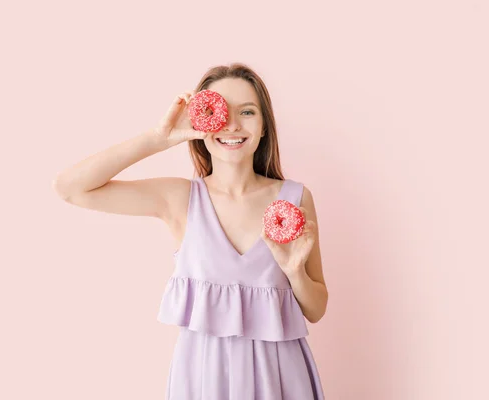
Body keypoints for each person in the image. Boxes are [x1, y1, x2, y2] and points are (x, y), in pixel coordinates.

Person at [53, 63, 328, 399]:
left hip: (282, 379)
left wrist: (294, 272)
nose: (232, 124)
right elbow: (70, 188)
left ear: (264, 126)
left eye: (247, 111)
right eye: (219, 111)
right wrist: (158, 138)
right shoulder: (181, 199)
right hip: (203, 380)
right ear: (201, 122)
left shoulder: (295, 199)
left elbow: (316, 309)